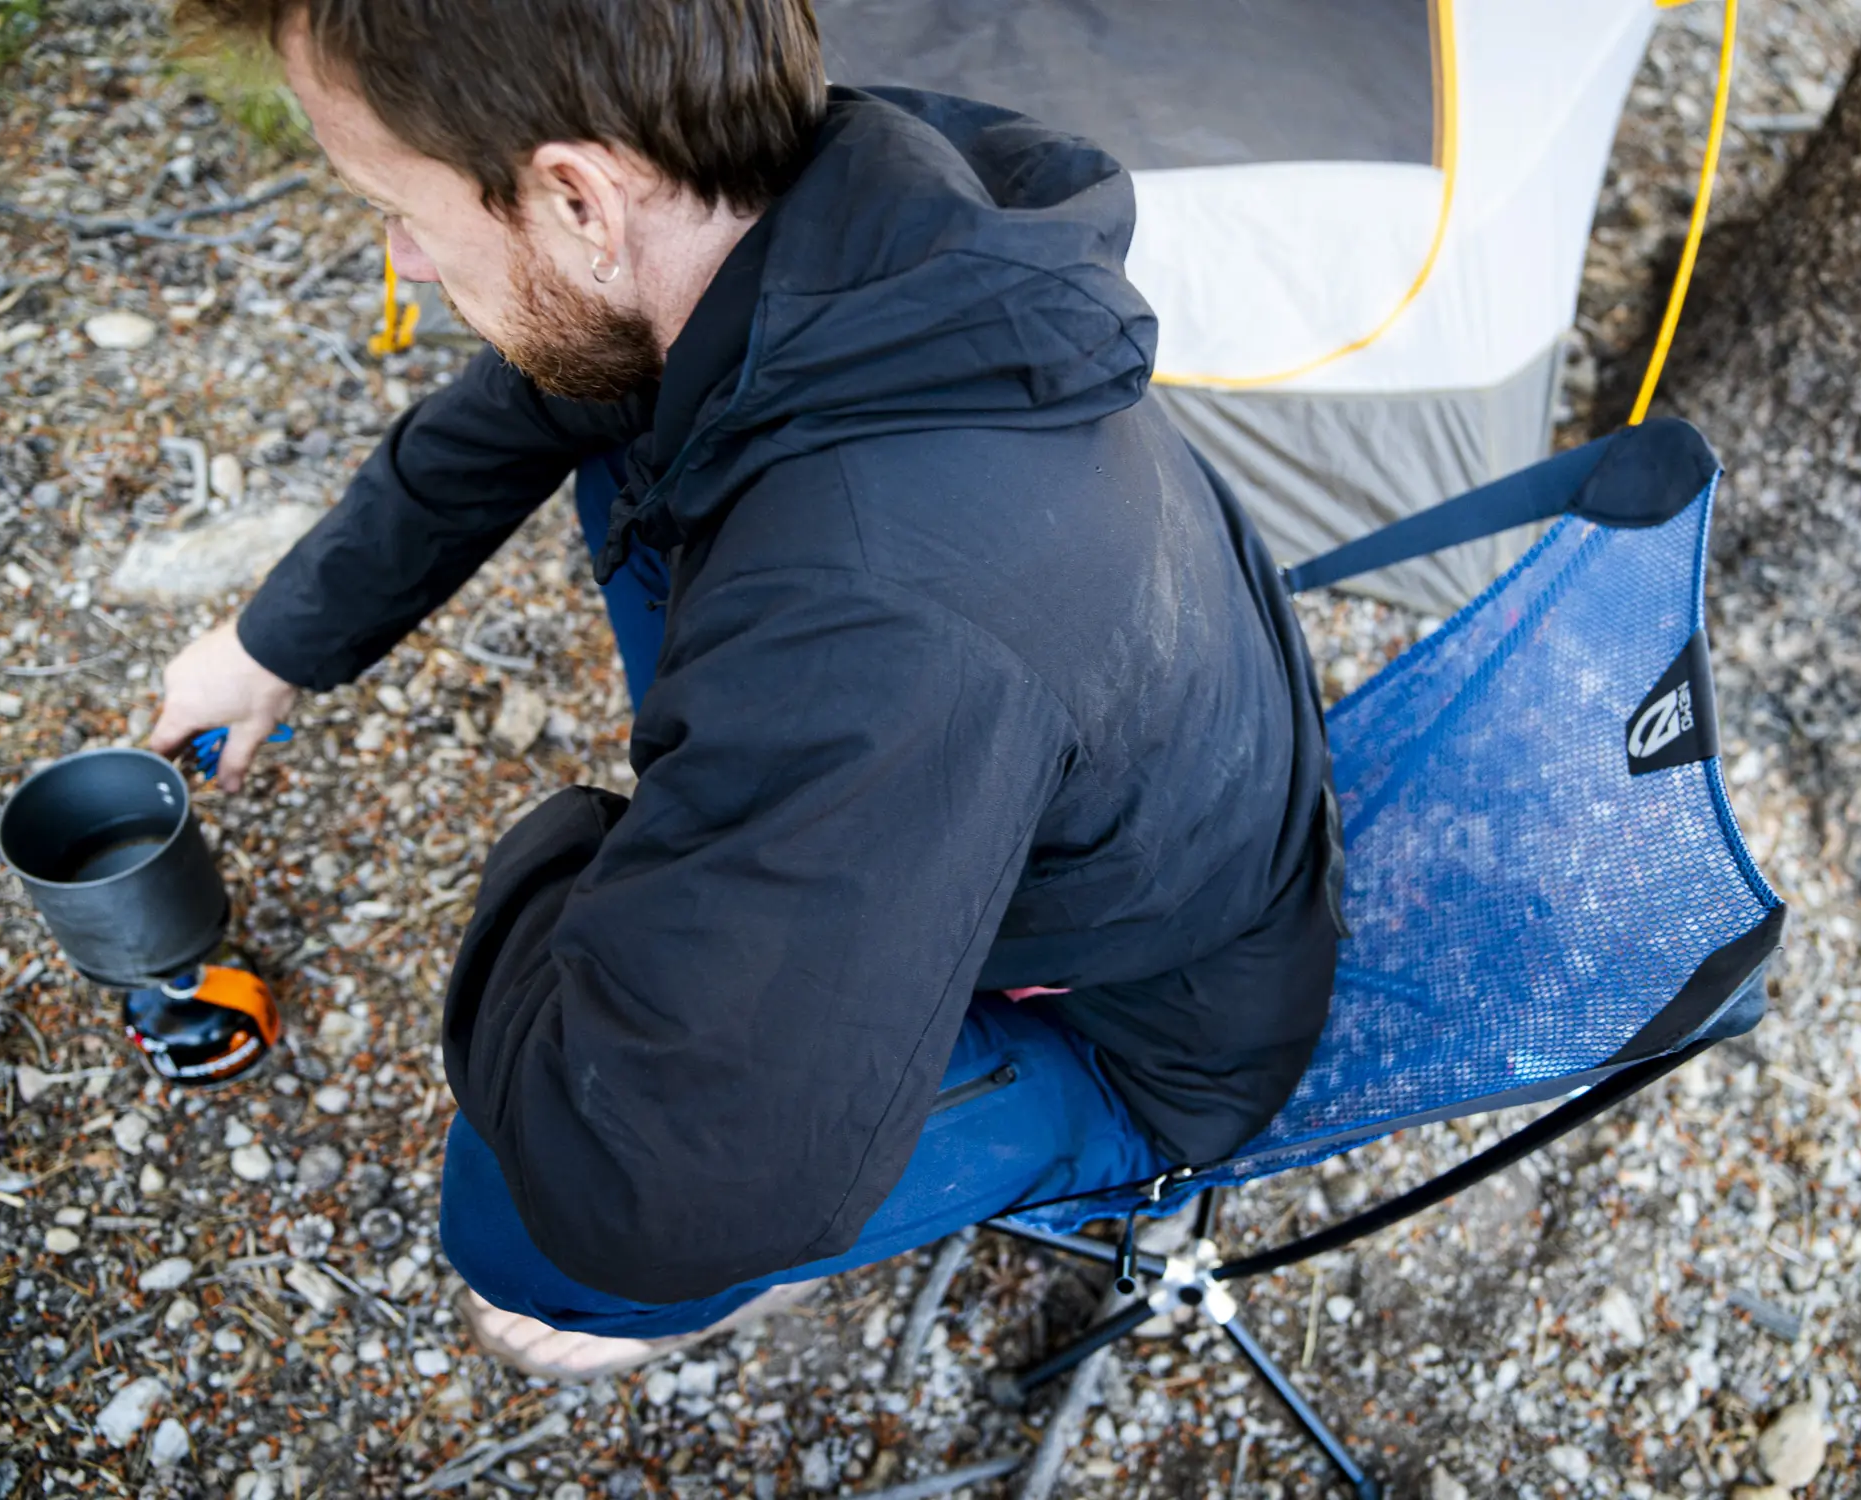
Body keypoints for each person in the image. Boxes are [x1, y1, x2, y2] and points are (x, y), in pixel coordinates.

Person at [154, 0, 1342, 1379]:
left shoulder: (868, 620)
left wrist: (568, 852)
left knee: (535, 1268)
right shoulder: (819, 227)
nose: (403, 261)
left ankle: (854, 1223)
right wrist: (275, 640)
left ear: (580, 198)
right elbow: (534, 394)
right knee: (599, 382)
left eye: (395, 207)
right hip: (1067, 798)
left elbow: (635, 1181)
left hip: (1131, 1033)